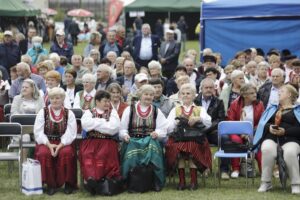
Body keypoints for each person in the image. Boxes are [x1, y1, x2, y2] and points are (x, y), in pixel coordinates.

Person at [119, 84, 168, 192]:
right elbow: (122, 128)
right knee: (131, 156)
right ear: (140, 95)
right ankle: (129, 182)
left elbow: (163, 128)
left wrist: (157, 133)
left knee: (154, 154)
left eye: (151, 95)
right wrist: (125, 135)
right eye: (146, 94)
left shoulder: (156, 110)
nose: (148, 97)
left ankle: (155, 182)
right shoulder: (130, 109)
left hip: (150, 140)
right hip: (132, 140)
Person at [254, 84, 300, 194]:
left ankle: (296, 184)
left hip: (291, 139)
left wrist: (285, 131)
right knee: (267, 149)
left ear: (289, 94)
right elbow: (262, 124)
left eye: (282, 91)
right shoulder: (272, 108)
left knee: (290, 152)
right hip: (272, 137)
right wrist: (269, 127)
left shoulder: (298, 110)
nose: (278, 93)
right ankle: (266, 182)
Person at [166, 83, 212, 190]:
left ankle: (193, 181)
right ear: (180, 96)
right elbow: (168, 127)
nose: (186, 95)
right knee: (178, 149)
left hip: (196, 138)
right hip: (179, 137)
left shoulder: (200, 109)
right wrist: (176, 122)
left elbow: (208, 123)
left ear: (193, 95)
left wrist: (198, 119)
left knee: (192, 148)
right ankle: (182, 182)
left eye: (188, 93)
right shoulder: (175, 109)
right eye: (183, 93)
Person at [34, 87, 77, 195]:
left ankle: (68, 183)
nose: (54, 100)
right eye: (52, 98)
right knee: (43, 153)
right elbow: (38, 132)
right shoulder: (42, 112)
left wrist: (59, 146)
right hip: (46, 141)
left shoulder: (69, 113)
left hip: (64, 142)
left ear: (62, 99)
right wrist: (48, 145)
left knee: (66, 153)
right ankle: (50, 184)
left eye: (57, 98)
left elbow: (71, 132)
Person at [80, 90, 121, 195]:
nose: (108, 103)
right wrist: (103, 123)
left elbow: (113, 128)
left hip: (107, 141)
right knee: (87, 155)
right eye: (105, 101)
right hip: (91, 142)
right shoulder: (89, 112)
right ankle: (91, 179)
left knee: (102, 155)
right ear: (97, 101)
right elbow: (86, 125)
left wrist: (95, 123)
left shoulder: (113, 112)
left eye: (108, 101)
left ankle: (100, 181)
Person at [194, 78, 230, 179]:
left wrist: (207, 128)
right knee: (195, 140)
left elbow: (220, 120)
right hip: (197, 131)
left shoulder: (219, 102)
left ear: (214, 89)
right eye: (206, 87)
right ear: (201, 88)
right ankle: (203, 168)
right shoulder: (194, 101)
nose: (209, 90)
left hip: (213, 131)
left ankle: (224, 170)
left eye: (211, 87)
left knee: (225, 138)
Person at [226, 83, 264, 178]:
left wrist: (250, 133)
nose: (255, 94)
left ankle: (263, 170)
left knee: (257, 143)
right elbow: (231, 122)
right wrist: (241, 133)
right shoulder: (234, 104)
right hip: (236, 131)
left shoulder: (260, 105)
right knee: (236, 140)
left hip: (253, 132)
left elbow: (261, 123)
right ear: (244, 95)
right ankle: (236, 169)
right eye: (251, 93)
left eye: (255, 92)